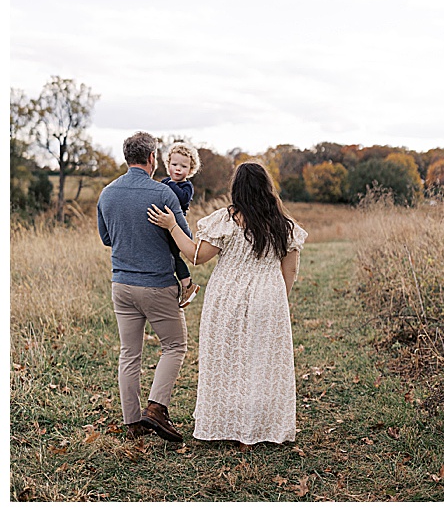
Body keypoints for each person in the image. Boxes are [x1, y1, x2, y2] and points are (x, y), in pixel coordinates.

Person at [147, 161, 307, 451]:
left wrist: (172, 226)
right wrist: (277, 298)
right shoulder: (284, 225)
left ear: (237, 189)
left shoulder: (228, 220)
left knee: (227, 360)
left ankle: (228, 427)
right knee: (262, 363)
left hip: (227, 298)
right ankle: (258, 429)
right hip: (268, 297)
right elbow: (291, 270)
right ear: (267, 187)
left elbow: (196, 256)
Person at [97, 131, 192, 443]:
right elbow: (183, 240)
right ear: (152, 158)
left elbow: (107, 239)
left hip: (121, 285)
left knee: (129, 353)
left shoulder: (107, 194)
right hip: (157, 286)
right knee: (175, 345)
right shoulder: (164, 195)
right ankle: (156, 408)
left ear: (128, 158)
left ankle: (132, 423)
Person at [160, 142, 202, 307]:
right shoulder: (164, 182)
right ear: (168, 165)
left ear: (190, 170)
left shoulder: (186, 186)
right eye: (174, 164)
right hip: (163, 224)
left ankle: (188, 285)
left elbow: (182, 199)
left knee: (174, 256)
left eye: (183, 166)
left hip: (176, 227)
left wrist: (170, 185)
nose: (178, 169)